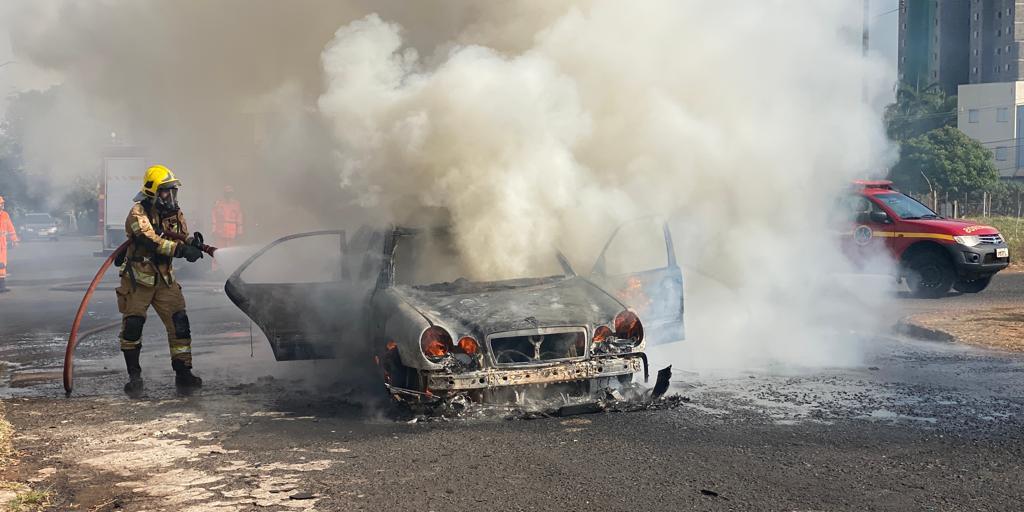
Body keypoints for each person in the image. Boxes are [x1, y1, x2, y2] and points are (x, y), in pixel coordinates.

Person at [117, 165, 206, 395]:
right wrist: (180, 251)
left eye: (172, 191)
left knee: (180, 324)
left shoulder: (174, 212)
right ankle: (134, 377)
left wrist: (192, 244)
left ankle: (183, 373)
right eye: (166, 191)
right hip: (139, 280)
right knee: (133, 326)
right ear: (153, 192)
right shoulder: (138, 212)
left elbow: (180, 235)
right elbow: (151, 241)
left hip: (165, 280)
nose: (170, 196)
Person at [0, 196, 19, 293]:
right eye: (1, 204)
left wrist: (14, 240)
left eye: (2, 204)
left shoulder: (5, 215)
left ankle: (2, 286)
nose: (2, 205)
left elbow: (11, 229)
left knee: (2, 265)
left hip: (2, 244)